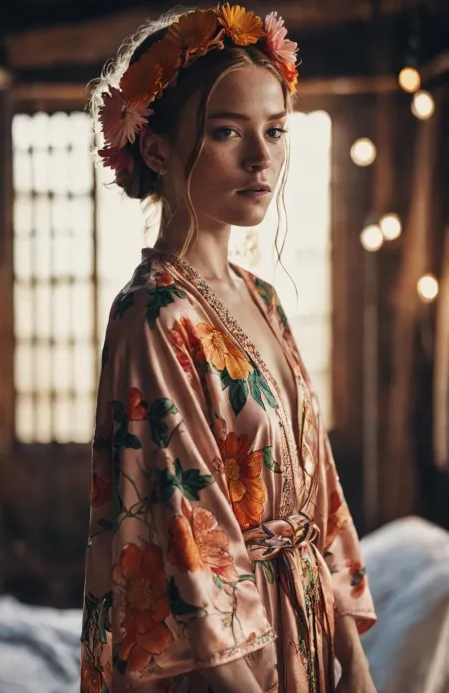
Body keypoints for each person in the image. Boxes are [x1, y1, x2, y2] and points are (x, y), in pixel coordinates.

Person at [80, 4, 377, 692]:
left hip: (301, 617)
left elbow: (318, 492)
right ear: (155, 148)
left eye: (275, 131)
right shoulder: (154, 315)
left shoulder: (263, 297)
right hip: (224, 665)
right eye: (225, 132)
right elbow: (187, 538)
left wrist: (354, 662)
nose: (261, 157)